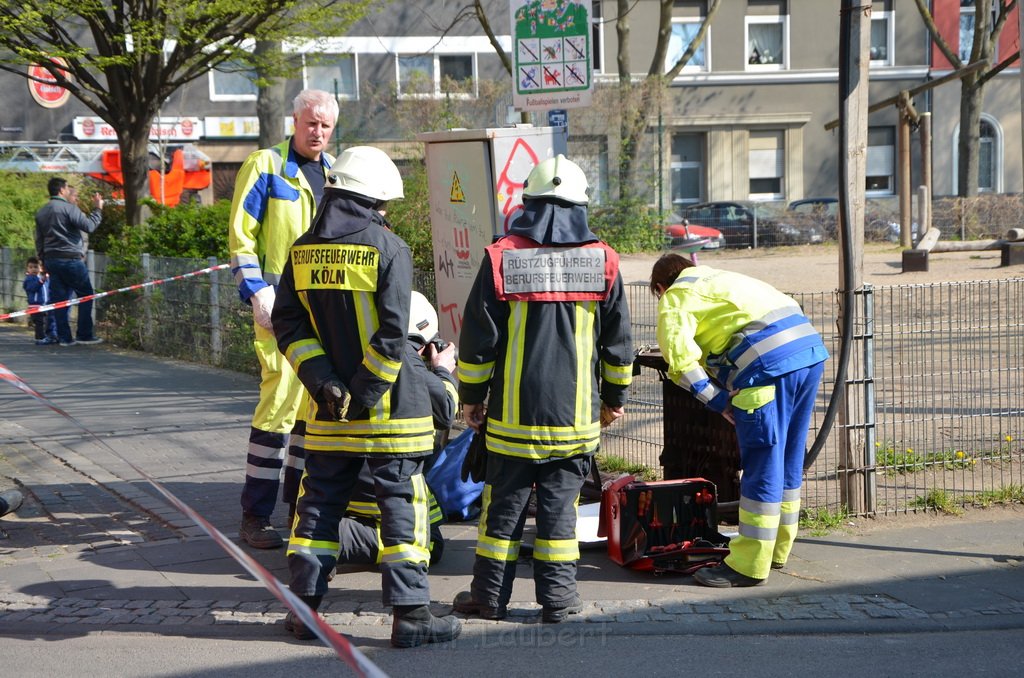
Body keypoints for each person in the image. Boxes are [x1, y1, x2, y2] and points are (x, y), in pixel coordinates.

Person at [272, 145, 461, 648]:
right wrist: (365, 392)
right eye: (384, 205)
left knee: (317, 509)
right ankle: (412, 616)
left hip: (328, 413)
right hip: (392, 413)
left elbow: (287, 325)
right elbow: (395, 335)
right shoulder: (390, 248)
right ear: (373, 199)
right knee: (404, 508)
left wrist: (326, 385)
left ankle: (303, 613)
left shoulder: (301, 250)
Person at [452, 154, 634, 623]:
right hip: (574, 423)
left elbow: (478, 340)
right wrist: (613, 400)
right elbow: (618, 344)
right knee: (560, 514)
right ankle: (559, 601)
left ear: (528, 203)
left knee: (501, 516)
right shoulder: (604, 261)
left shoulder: (501, 257)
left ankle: (489, 599)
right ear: (580, 206)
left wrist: (472, 399)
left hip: (512, 422)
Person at [648, 253, 829, 587]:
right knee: (787, 457)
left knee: (761, 460)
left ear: (660, 287)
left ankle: (747, 565)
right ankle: (775, 549)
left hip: (768, 368)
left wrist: (717, 401)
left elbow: (680, 360)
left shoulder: (676, 297)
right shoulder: (721, 278)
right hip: (809, 355)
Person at [228, 89, 339, 549]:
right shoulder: (265, 166)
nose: (318, 132)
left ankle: (296, 511)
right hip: (278, 309)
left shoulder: (334, 173)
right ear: (295, 120)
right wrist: (256, 293)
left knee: (312, 413)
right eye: (311, 123)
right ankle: (255, 516)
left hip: (322, 312)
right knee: (278, 405)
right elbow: (241, 237)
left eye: (326, 126)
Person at [283, 291, 458, 568]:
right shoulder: (410, 367)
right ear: (424, 343)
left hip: (325, 493)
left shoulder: (328, 369)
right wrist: (443, 372)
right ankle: (334, 539)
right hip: (380, 501)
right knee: (428, 543)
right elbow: (446, 412)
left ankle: (313, 531)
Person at [34, 177, 104, 347]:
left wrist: (42, 260)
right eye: (66, 188)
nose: (67, 191)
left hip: (51, 260)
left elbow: (39, 240)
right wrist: (98, 209)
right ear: (61, 190)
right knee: (86, 295)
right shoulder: (69, 208)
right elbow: (89, 226)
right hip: (71, 259)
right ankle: (84, 334)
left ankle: (65, 338)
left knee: (59, 300)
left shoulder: (41, 212)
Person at [23, 256, 58, 345]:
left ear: (40, 268)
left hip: (45, 305)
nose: (33, 269)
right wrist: (41, 281)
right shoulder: (29, 279)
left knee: (46, 321)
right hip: (35, 305)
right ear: (27, 269)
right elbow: (32, 288)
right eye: (31, 267)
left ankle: (48, 336)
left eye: (35, 267)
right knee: (39, 323)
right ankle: (39, 338)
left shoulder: (43, 278)